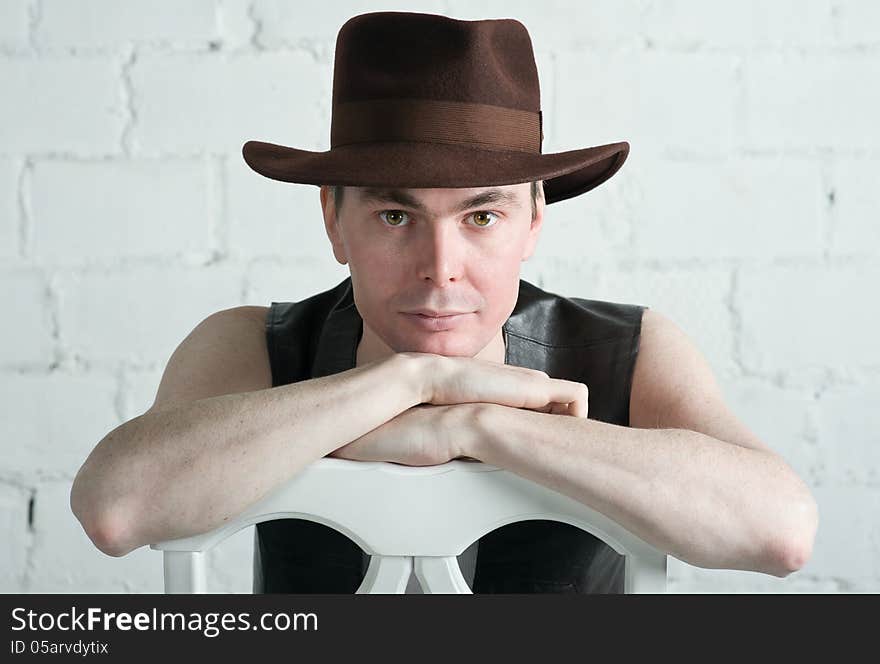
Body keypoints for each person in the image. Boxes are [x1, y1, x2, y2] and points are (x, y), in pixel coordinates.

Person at [71, 11, 818, 593]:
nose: (440, 270)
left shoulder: (630, 347)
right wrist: (414, 382)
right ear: (334, 221)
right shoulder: (252, 344)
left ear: (534, 221)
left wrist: (474, 424)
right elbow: (117, 508)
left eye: (481, 217)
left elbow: (781, 532)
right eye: (396, 217)